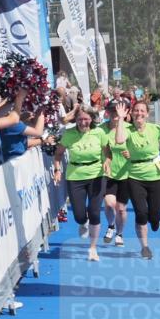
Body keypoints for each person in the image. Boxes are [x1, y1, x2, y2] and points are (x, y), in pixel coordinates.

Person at [114, 99, 160, 259]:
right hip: (135, 176)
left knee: (154, 215)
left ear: (147, 114)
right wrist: (121, 119)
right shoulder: (127, 129)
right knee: (141, 213)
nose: (139, 113)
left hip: (157, 176)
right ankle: (145, 247)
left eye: (142, 111)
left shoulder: (155, 128)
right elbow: (119, 140)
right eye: (136, 110)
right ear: (131, 113)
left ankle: (156, 219)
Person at [53, 105, 107, 261]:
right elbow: (58, 154)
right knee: (78, 215)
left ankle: (93, 248)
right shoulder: (69, 134)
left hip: (97, 175)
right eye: (80, 119)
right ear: (75, 119)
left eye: (86, 119)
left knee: (95, 212)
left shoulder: (99, 132)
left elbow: (107, 152)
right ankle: (83, 222)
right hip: (75, 176)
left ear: (92, 119)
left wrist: (107, 162)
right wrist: (57, 170)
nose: (83, 122)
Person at [100, 99, 131, 246]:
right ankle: (111, 225)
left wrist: (131, 154)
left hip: (126, 174)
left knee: (121, 210)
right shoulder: (100, 129)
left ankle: (119, 233)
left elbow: (138, 149)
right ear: (107, 112)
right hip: (108, 174)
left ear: (125, 112)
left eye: (118, 111)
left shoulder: (130, 129)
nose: (115, 114)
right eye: (112, 110)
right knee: (109, 203)